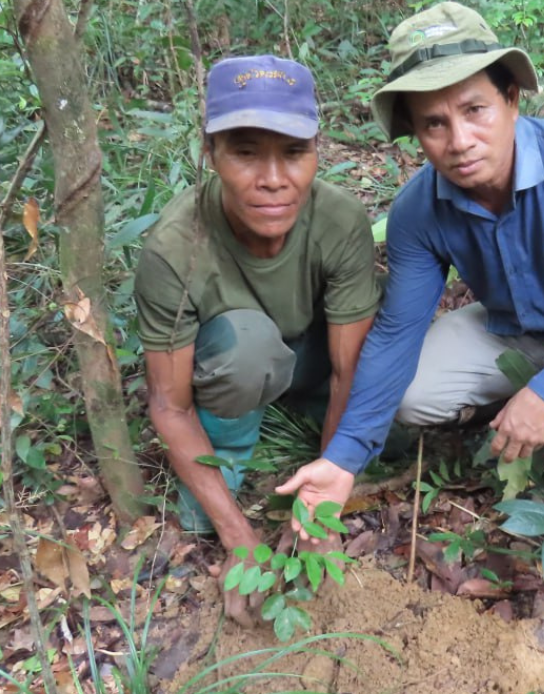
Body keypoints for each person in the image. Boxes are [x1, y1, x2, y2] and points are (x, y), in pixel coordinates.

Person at [278, 3, 544, 661]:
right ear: (414, 132)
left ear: (511, 98)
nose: (458, 139)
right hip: (510, 326)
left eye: (474, 110)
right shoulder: (418, 210)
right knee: (411, 391)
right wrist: (344, 459)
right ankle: (509, 421)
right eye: (433, 123)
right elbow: (397, 332)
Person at [135, 54, 382, 627]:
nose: (274, 178)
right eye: (246, 152)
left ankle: (307, 429)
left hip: (314, 361)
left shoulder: (339, 220)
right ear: (211, 152)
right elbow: (168, 403)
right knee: (247, 346)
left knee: (396, 420)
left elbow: (352, 370)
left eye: (294, 153)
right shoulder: (175, 247)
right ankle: (233, 456)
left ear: (317, 150)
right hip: (237, 367)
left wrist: (323, 503)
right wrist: (238, 536)